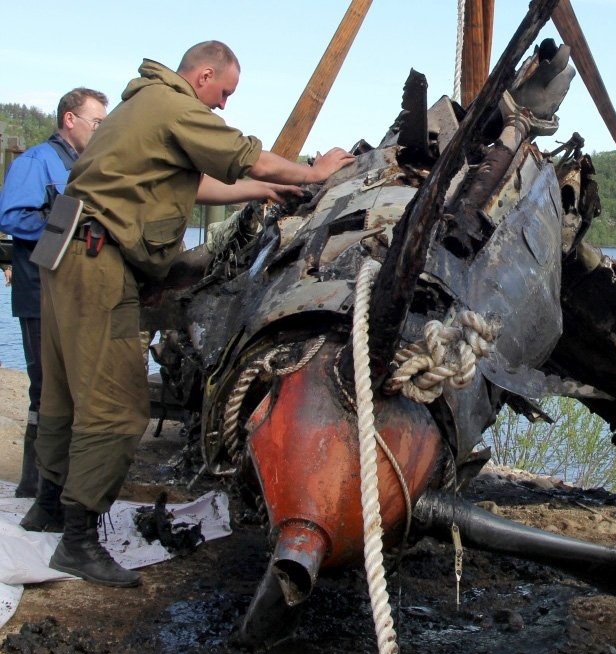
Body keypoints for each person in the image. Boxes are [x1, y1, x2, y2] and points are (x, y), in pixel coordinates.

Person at [21, 40, 355, 588]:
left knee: (63, 390)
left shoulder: (139, 105)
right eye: (223, 92)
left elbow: (196, 183)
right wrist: (314, 173)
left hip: (67, 248)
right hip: (98, 258)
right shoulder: (176, 105)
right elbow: (242, 152)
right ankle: (77, 542)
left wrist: (269, 188)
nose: (222, 104)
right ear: (203, 76)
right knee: (117, 406)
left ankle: (49, 508)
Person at [0, 87, 109, 499]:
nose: (100, 130)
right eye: (96, 122)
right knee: (45, 387)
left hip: (77, 293)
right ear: (69, 119)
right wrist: (68, 227)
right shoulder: (36, 162)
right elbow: (11, 215)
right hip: (39, 292)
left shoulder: (85, 165)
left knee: (73, 389)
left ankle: (60, 482)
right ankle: (36, 484)